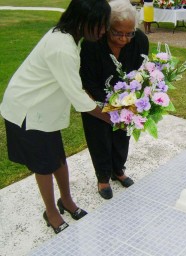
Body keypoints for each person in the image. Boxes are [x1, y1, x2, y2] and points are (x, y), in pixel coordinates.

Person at [0, 0, 111, 234]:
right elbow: (77, 97)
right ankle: (51, 212)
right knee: (44, 165)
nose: (103, 31)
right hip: (27, 111)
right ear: (84, 20)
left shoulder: (68, 38)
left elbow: (74, 85)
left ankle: (66, 201)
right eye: (101, 25)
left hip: (43, 111)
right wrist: (112, 117)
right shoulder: (62, 47)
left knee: (58, 159)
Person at [80, 0, 149, 200]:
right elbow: (88, 81)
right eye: (118, 33)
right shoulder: (93, 43)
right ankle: (102, 177)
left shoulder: (140, 40)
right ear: (107, 28)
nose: (125, 39)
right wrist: (109, 107)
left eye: (129, 33)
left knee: (123, 134)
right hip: (95, 100)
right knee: (98, 136)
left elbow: (140, 73)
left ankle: (118, 170)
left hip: (127, 99)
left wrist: (128, 102)